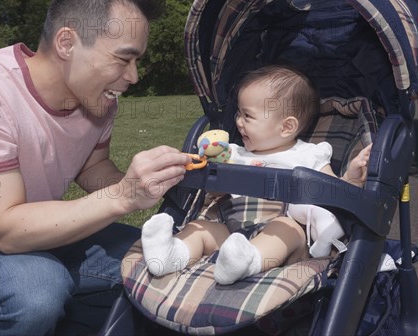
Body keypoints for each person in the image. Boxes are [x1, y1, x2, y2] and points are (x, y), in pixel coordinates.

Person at [0, 0, 191, 335]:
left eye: (137, 61)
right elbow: (5, 230)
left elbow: (92, 169)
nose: (133, 77)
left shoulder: (100, 101)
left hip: (53, 236)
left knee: (164, 262)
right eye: (124, 58)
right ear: (67, 43)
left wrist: (167, 182)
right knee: (35, 289)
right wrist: (125, 195)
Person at [141, 65, 372, 285]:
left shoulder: (308, 155)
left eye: (247, 116)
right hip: (230, 231)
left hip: (280, 239)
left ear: (286, 127)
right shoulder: (233, 152)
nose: (238, 122)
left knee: (286, 228)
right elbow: (215, 192)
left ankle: (248, 261)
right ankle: (171, 255)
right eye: (238, 113)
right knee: (199, 229)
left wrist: (350, 179)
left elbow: (330, 193)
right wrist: (213, 168)